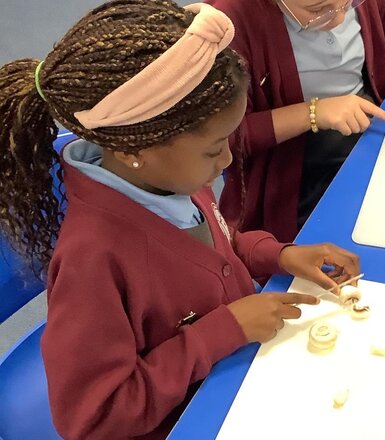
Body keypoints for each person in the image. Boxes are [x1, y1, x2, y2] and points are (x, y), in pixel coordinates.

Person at [0, 1, 360, 438]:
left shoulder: (172, 176)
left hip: (229, 372)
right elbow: (94, 417)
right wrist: (222, 331)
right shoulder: (91, 260)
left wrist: (280, 255)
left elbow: (217, 242)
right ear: (136, 149)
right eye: (214, 149)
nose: (227, 159)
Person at [209, 0, 385, 242]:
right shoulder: (229, 23)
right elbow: (219, 138)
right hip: (290, 171)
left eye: (349, 3)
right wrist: (313, 113)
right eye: (317, 11)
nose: (338, 19)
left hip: (365, 131)